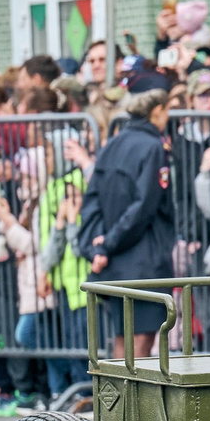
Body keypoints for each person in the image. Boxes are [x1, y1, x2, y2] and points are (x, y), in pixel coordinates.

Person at [81, 90, 178, 356]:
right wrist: (108, 243)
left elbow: (92, 201)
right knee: (141, 343)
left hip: (115, 262)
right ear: (157, 111)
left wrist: (98, 248)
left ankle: (115, 398)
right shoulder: (153, 147)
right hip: (144, 262)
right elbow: (144, 206)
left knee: (123, 340)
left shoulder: (112, 144)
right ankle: (128, 400)